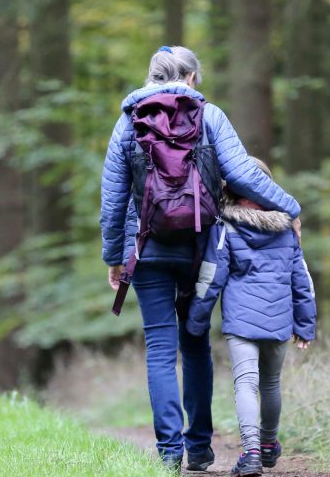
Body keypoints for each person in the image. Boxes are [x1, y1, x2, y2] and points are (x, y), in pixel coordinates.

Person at [100, 46, 302, 471]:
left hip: (148, 249)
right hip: (201, 248)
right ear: (191, 77)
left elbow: (113, 200)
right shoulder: (210, 116)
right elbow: (245, 174)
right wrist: (291, 208)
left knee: (159, 348)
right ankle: (200, 448)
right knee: (195, 344)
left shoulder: (127, 122)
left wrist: (114, 257)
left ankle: (169, 453)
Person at [186, 158, 316, 477]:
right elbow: (302, 280)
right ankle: (270, 444)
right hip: (279, 318)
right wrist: (305, 324)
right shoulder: (287, 228)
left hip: (242, 321)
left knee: (246, 383)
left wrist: (196, 319)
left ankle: (252, 452)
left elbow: (211, 276)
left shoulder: (226, 226)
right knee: (271, 383)